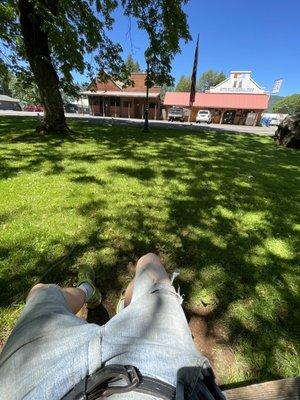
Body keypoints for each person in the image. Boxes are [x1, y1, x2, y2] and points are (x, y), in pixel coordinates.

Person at [0, 253, 225, 400]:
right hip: (159, 383)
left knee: (41, 292)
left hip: (39, 387)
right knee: (149, 263)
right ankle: (123, 307)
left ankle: (88, 290)